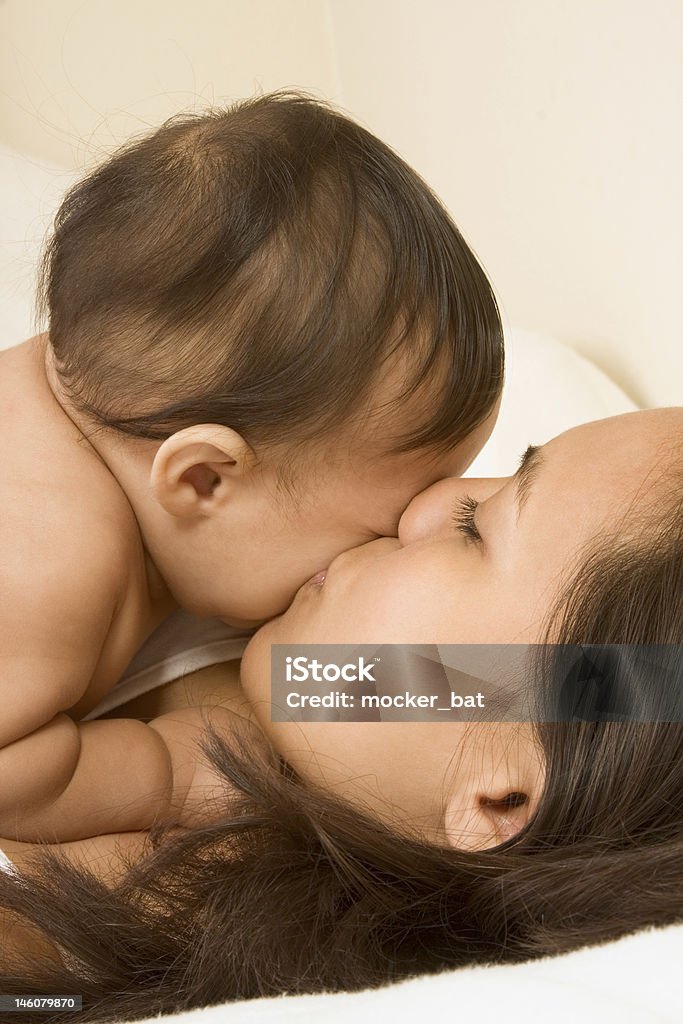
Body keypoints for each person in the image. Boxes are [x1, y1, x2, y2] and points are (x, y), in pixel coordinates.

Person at [0, 409, 680, 1023]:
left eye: (474, 530)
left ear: (498, 800)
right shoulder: (248, 616)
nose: (424, 503)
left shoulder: (194, 910)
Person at [0, 91, 503, 845]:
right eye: (373, 524)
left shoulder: (101, 406)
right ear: (202, 478)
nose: (417, 521)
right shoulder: (45, 565)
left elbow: (586, 686)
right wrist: (165, 773)